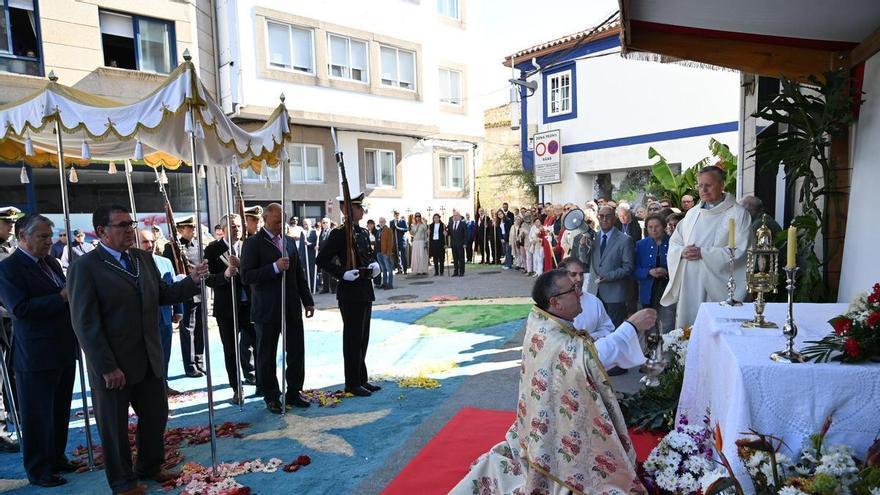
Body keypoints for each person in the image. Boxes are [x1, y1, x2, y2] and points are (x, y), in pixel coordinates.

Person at [451, 269, 653, 494]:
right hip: (549, 430)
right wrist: (631, 327)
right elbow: (590, 359)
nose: (579, 292)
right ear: (555, 302)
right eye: (573, 289)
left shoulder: (544, 321)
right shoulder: (553, 337)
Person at [68, 205, 205, 495]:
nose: (130, 229)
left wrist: (191, 281)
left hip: (149, 357)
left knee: (156, 415)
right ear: (102, 231)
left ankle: (150, 466)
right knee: (115, 428)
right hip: (114, 365)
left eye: (131, 223)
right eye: (122, 225)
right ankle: (123, 482)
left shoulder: (143, 258)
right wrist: (106, 366)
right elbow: (85, 323)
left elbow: (162, 295)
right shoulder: (85, 267)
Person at [0, 214, 78, 486]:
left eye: (50, 236)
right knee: (37, 414)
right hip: (35, 354)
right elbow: (20, 309)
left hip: (63, 347)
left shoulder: (52, 262)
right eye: (42, 237)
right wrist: (60, 297)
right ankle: (38, 469)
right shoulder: (9, 268)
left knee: (59, 410)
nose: (49, 242)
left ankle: (57, 457)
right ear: (22, 237)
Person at [240, 204, 315, 414]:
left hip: (291, 306)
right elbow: (247, 276)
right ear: (265, 219)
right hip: (267, 309)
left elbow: (299, 273)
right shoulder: (253, 244)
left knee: (296, 351)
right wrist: (274, 268)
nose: (280, 225)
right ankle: (271, 395)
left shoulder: (289, 241)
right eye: (276, 221)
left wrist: (307, 299)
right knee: (267, 353)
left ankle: (294, 391)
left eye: (283, 220)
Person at [661, 166, 752, 328]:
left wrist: (704, 253)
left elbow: (742, 251)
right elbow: (675, 241)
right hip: (690, 281)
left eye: (708, 185)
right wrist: (681, 251)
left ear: (722, 185)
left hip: (716, 285)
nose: (703, 189)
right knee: (687, 332)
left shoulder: (738, 214)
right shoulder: (692, 213)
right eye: (700, 185)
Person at [315, 193, 382, 397]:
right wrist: (341, 274)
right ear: (347, 210)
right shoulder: (338, 234)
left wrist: (374, 265)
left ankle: (361, 378)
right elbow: (322, 260)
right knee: (352, 338)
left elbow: (368, 255)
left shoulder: (361, 232)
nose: (362, 210)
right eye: (358, 207)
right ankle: (352, 382)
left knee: (363, 338)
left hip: (364, 290)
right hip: (350, 292)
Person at [204, 215, 257, 405]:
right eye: (233, 226)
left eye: (239, 226)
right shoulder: (212, 249)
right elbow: (207, 278)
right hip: (226, 308)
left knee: (258, 344)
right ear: (223, 229)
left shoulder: (250, 245)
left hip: (249, 305)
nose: (237, 229)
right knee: (230, 350)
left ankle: (261, 382)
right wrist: (224, 275)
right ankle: (237, 388)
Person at [562, 257, 652, 369]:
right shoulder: (555, 303)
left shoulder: (594, 301)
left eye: (581, 274)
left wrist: (590, 337)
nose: (579, 279)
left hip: (593, 360)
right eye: (573, 274)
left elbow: (607, 329)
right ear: (562, 277)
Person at [586, 206, 634, 376]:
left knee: (615, 329)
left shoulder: (624, 240)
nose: (604, 219)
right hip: (596, 291)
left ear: (614, 218)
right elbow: (588, 262)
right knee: (600, 330)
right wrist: (584, 246)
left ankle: (619, 364)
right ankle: (604, 361)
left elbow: (628, 267)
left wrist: (610, 276)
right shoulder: (594, 237)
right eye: (601, 216)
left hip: (615, 292)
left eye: (608, 216)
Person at [138, 229, 184, 396]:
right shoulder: (132, 264)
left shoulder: (165, 262)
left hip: (164, 317)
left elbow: (173, 287)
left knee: (165, 353)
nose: (150, 245)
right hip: (142, 320)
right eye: (145, 242)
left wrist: (179, 309)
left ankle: (163, 383)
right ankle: (149, 389)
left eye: (152, 241)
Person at [162, 215, 205, 378]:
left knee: (200, 329)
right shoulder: (171, 247)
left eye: (194, 228)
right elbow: (170, 271)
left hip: (199, 291)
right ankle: (190, 365)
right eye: (190, 228)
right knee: (188, 329)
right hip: (185, 292)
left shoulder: (198, 246)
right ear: (180, 230)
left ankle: (199, 361)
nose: (193, 230)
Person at [0, 207, 22, 454]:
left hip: (12, 324)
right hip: (4, 319)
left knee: (13, 375)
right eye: (6, 223)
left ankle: (17, 416)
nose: (9, 227)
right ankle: (0, 431)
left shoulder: (10, 251)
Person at [634, 215, 675, 332]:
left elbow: (680, 267)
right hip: (648, 292)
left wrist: (666, 272)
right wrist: (649, 272)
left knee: (667, 325)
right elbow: (634, 270)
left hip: (668, 290)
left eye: (657, 226)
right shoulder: (640, 245)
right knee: (649, 326)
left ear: (663, 227)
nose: (653, 230)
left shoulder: (673, 242)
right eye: (650, 227)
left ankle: (666, 349)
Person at [317, 218, 336, 294]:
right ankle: (325, 288)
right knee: (324, 272)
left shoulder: (332, 232)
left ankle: (334, 288)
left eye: (326, 222)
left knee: (332, 272)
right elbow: (320, 243)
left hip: (331, 255)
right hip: (323, 255)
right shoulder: (321, 232)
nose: (325, 224)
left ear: (329, 223)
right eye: (323, 223)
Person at [377, 217, 395, 289]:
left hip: (385, 253)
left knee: (389, 269)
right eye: (380, 222)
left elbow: (390, 242)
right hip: (379, 252)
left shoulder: (388, 230)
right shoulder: (379, 231)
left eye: (382, 221)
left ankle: (390, 284)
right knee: (383, 269)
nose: (381, 223)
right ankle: (384, 283)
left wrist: (388, 253)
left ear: (385, 222)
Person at [447, 210, 467, 277]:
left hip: (461, 244)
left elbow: (465, 234)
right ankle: (456, 271)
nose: (455, 217)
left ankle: (462, 271)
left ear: (459, 216)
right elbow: (448, 233)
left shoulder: (463, 224)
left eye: (456, 215)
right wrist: (446, 233)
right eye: (454, 216)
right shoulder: (450, 224)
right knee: (455, 259)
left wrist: (465, 243)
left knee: (461, 258)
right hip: (453, 244)